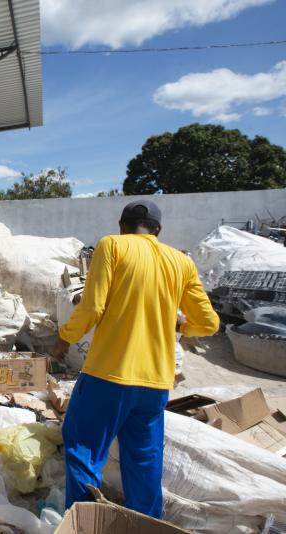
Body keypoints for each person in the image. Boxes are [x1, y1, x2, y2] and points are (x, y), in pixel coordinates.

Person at [51, 200, 219, 518]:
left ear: (121, 226)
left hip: (108, 375)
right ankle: (147, 524)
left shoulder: (112, 246)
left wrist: (64, 338)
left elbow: (92, 307)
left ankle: (84, 522)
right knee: (144, 461)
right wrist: (183, 326)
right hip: (155, 383)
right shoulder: (181, 261)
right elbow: (209, 323)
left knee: (84, 449)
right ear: (158, 230)